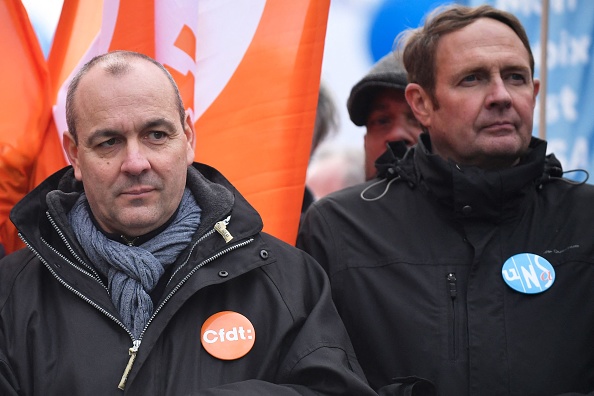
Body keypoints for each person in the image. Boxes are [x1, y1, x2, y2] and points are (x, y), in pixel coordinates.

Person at [0, 50, 376, 396]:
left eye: (156, 135)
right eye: (109, 142)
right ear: (74, 156)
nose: (135, 163)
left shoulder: (287, 280)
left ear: (189, 137)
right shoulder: (12, 292)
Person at [298, 4, 594, 395]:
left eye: (516, 77)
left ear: (535, 93)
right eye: (472, 79)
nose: (501, 96)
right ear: (421, 103)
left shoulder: (586, 218)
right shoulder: (339, 229)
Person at [347, 52, 423, 180]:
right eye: (382, 121)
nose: (396, 135)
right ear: (365, 143)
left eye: (416, 118)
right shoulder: (335, 200)